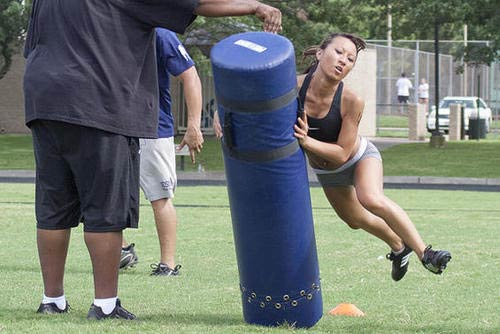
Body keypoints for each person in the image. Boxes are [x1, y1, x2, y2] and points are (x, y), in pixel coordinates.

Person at [24, 0, 281, 320]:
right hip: (99, 101)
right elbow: (197, 3)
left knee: (53, 207)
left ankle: (52, 299)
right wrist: (254, 6)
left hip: (44, 101)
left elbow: (34, 45)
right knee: (106, 209)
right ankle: (105, 305)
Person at [292, 33, 451, 282]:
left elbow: (343, 153)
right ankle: (398, 246)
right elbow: (253, 93)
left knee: (371, 198)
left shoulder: (351, 100)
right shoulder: (291, 86)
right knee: (353, 220)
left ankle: (426, 254)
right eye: (338, 52)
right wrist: (220, 114)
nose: (343, 60)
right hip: (327, 171)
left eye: (350, 58)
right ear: (320, 53)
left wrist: (307, 141)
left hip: (359, 158)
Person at [120, 29, 202, 276]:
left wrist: (194, 124)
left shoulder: (161, 35)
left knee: (160, 196)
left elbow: (190, 76)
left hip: (152, 127)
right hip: (113, 125)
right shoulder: (111, 27)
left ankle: (167, 264)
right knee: (106, 193)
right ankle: (121, 250)